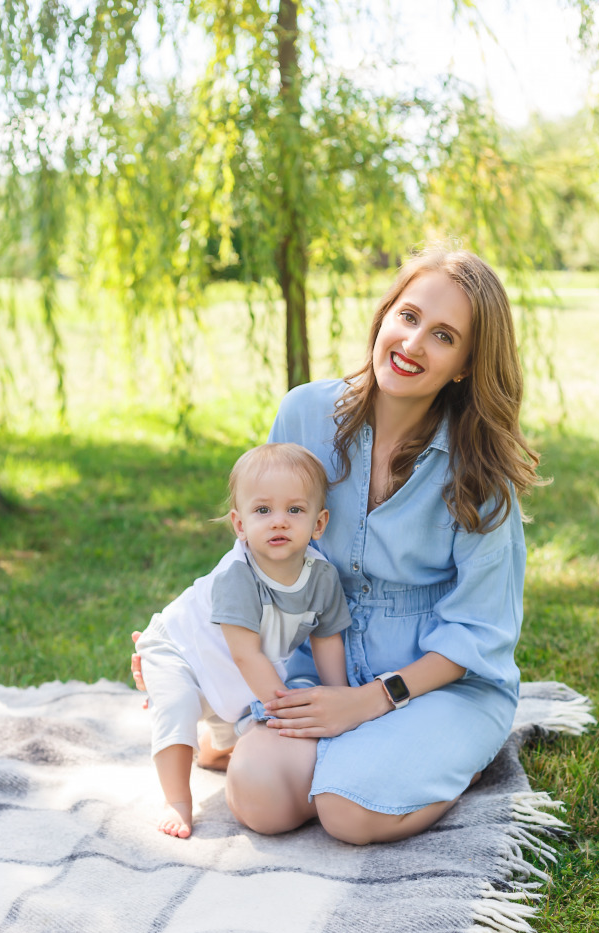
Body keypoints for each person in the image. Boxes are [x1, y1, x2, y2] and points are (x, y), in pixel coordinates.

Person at [132, 244, 542, 846]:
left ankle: (458, 758)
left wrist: (371, 702)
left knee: (348, 813)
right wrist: (182, 636)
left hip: (438, 682)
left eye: (444, 336)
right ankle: (320, 756)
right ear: (384, 318)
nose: (412, 344)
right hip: (319, 665)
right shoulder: (305, 413)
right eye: (408, 317)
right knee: (260, 798)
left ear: (464, 365)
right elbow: (264, 544)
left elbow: (479, 632)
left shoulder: (480, 470)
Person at [136, 442, 352, 838]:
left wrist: (340, 700)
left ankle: (215, 748)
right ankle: (177, 801)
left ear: (319, 524)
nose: (279, 522)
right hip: (179, 649)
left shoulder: (322, 577)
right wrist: (284, 709)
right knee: (181, 705)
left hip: (230, 662)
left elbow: (327, 639)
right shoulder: (238, 576)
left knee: (238, 713)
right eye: (263, 510)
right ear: (239, 524)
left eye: (295, 510)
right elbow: (244, 655)